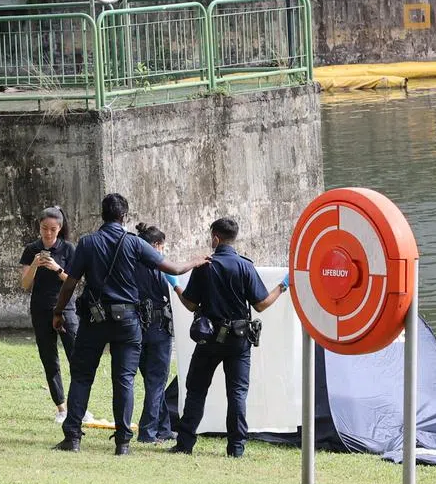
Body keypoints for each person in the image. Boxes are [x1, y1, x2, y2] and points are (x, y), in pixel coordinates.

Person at [51, 194, 209, 456]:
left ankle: (73, 437)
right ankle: (123, 442)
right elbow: (173, 268)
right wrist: (196, 261)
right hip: (128, 321)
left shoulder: (88, 243)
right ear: (124, 217)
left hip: (94, 319)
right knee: (124, 380)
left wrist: (58, 312)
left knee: (82, 376)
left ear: (102, 214)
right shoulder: (134, 244)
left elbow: (71, 282)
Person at [170, 217, 288, 458]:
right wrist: (283, 286)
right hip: (238, 340)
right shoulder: (245, 266)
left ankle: (185, 444)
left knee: (196, 390)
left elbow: (191, 305)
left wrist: (175, 286)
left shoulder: (205, 266)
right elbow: (261, 304)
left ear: (216, 238)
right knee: (237, 393)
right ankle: (236, 448)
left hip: (208, 339)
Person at [19, 206, 83, 424]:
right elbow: (26, 284)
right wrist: (35, 265)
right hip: (40, 309)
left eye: (53, 229)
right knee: (49, 359)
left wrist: (56, 268)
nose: (48, 233)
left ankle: (79, 407)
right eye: (44, 228)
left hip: (66, 309)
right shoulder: (31, 249)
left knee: (76, 357)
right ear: (39, 227)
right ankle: (61, 408)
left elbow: (74, 281)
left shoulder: (69, 249)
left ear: (60, 228)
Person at [133, 222, 183, 444]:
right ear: (156, 245)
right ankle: (148, 431)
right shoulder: (162, 269)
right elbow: (180, 291)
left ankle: (163, 428)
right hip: (158, 328)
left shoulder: (130, 265)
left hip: (135, 329)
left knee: (153, 381)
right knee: (156, 382)